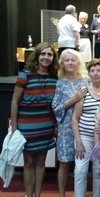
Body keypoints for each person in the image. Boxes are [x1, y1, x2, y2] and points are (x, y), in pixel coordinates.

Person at [10, 42, 59, 197]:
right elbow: (14, 102)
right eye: (43, 54)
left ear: (53, 57)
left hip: (46, 126)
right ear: (37, 56)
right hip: (27, 127)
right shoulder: (25, 75)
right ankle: (29, 194)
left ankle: (37, 195)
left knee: (41, 162)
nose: (46, 57)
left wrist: (56, 125)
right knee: (29, 163)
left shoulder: (55, 77)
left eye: (49, 54)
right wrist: (14, 129)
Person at [51, 49, 89, 197]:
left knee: (83, 165)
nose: (70, 63)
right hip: (65, 128)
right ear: (62, 63)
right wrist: (73, 99)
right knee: (65, 163)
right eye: (66, 60)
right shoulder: (60, 83)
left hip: (84, 127)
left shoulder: (86, 80)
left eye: (73, 60)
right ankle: (62, 194)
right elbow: (56, 108)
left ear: (78, 62)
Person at [71, 58, 100, 197]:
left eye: (98, 70)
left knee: (98, 170)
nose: (95, 73)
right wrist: (78, 142)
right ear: (88, 73)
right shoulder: (83, 92)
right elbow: (75, 119)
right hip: (84, 137)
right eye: (92, 71)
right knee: (80, 170)